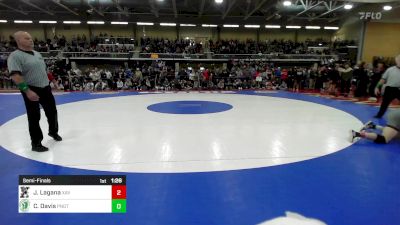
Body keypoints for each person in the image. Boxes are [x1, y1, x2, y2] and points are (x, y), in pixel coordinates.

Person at [7, 31, 62, 152]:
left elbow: (44, 70)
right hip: (31, 88)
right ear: (18, 41)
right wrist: (27, 91)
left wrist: (53, 81)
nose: (31, 40)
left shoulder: (37, 54)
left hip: (45, 87)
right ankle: (36, 143)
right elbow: (15, 75)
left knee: (52, 111)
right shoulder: (15, 56)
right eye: (27, 38)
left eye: (31, 38)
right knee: (34, 116)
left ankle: (53, 132)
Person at [374, 54, 400, 118]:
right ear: (396, 61)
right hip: (390, 89)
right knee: (384, 104)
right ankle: (379, 115)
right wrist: (377, 87)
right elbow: (383, 79)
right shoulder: (390, 70)